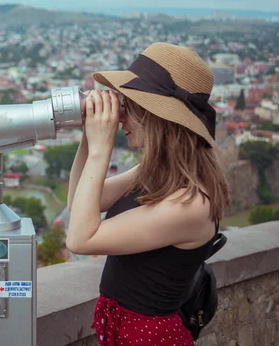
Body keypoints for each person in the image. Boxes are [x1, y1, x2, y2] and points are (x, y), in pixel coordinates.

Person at [66, 42, 230, 346]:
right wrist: (89, 139)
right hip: (126, 333)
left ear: (158, 116)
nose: (123, 117)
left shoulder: (191, 202)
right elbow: (79, 202)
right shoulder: (159, 170)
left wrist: (103, 146)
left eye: (131, 107)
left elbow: (79, 239)